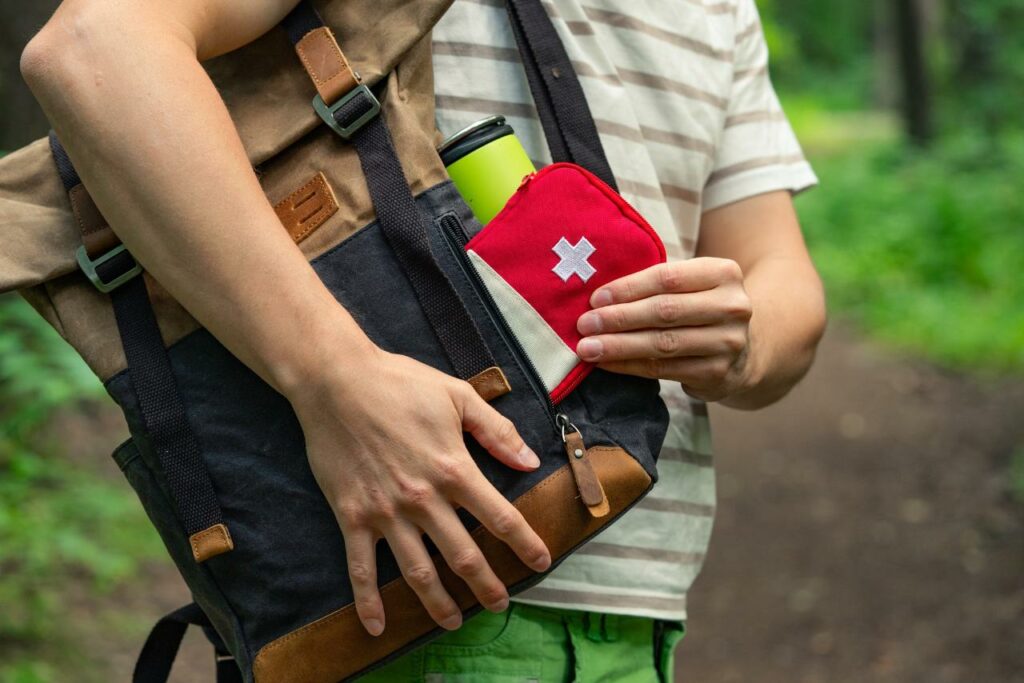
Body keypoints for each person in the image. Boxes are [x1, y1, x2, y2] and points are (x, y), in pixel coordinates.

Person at [20, 0, 826, 680]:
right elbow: (96, 50)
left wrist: (742, 339)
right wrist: (332, 377)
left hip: (640, 609)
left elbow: (775, 265)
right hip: (413, 596)